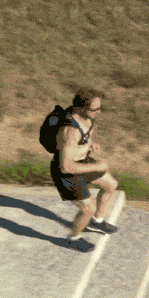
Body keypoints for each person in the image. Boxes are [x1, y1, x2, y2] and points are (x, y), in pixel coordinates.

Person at [51, 88, 120, 251]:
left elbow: (84, 136)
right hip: (66, 173)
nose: (99, 112)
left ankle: (97, 222)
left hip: (82, 161)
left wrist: (89, 143)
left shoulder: (88, 119)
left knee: (111, 185)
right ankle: (73, 238)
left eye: (100, 107)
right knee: (88, 208)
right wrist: (97, 165)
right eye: (95, 109)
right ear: (81, 108)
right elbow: (66, 166)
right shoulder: (71, 131)